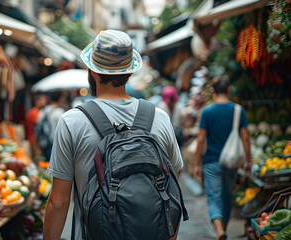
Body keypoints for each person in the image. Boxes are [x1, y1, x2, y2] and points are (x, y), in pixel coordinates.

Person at [43, 30, 184, 240]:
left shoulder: (72, 121)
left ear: (92, 70)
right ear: (130, 72)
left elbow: (58, 201)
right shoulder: (159, 118)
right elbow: (173, 192)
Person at [193, 75, 251, 240]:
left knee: (213, 197)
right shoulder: (238, 110)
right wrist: (248, 160)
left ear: (212, 91)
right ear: (229, 89)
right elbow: (245, 138)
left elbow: (200, 139)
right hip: (232, 163)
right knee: (226, 197)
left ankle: (220, 232)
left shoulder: (207, 111)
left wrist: (197, 164)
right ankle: (222, 232)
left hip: (212, 161)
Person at [35, 91, 66, 160]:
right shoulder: (60, 112)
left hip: (44, 144)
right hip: (57, 144)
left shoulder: (43, 111)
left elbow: (37, 128)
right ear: (61, 99)